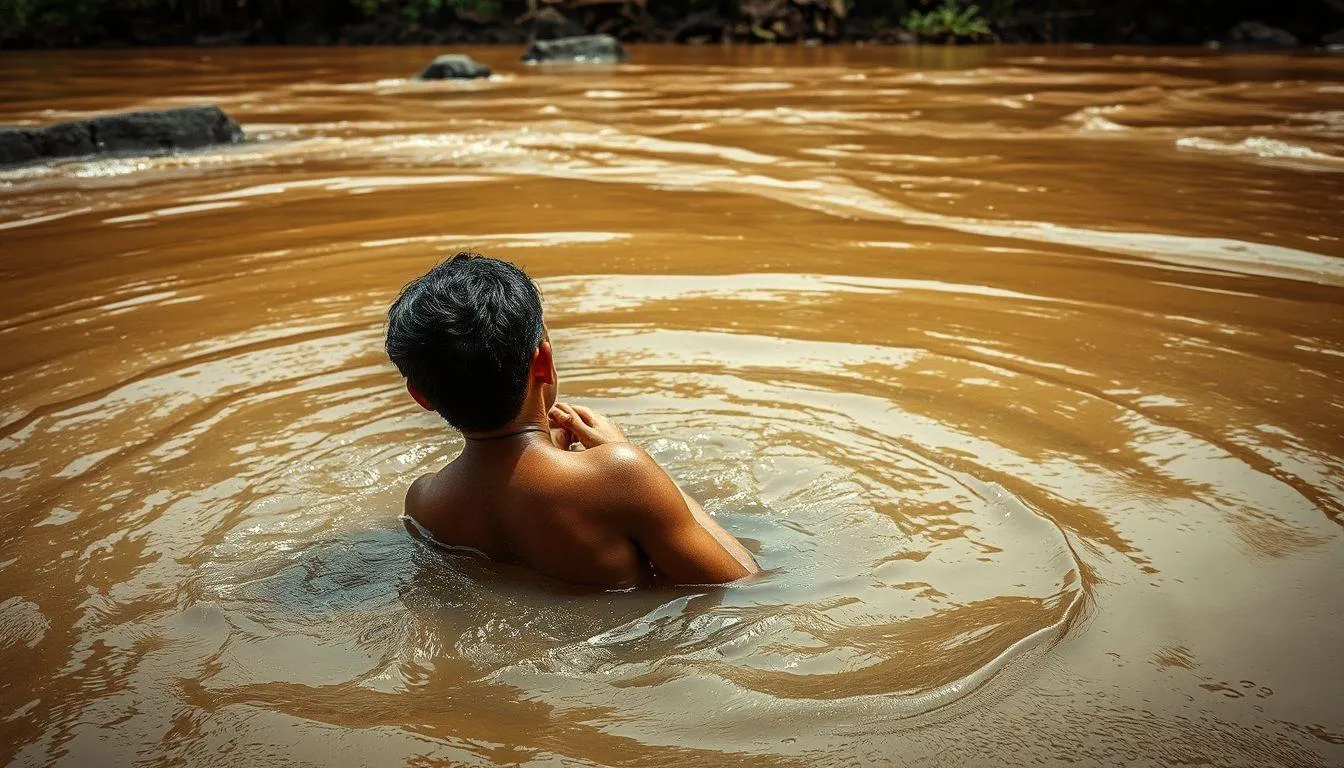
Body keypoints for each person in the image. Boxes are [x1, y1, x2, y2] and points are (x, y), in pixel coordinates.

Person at [385, 252, 761, 588]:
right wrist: (632, 458)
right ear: (543, 362)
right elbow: (742, 580)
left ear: (420, 396)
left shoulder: (425, 502)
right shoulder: (619, 475)